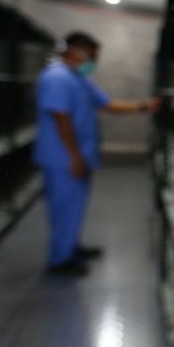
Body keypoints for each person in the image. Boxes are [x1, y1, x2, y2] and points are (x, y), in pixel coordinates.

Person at [34, 31, 159, 275]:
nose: (93, 63)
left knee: (74, 207)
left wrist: (143, 106)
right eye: (91, 56)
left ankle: (70, 247)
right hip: (63, 158)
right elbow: (61, 120)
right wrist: (74, 156)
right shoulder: (56, 78)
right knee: (64, 207)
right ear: (76, 51)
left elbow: (107, 103)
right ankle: (59, 260)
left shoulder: (80, 79)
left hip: (78, 155)